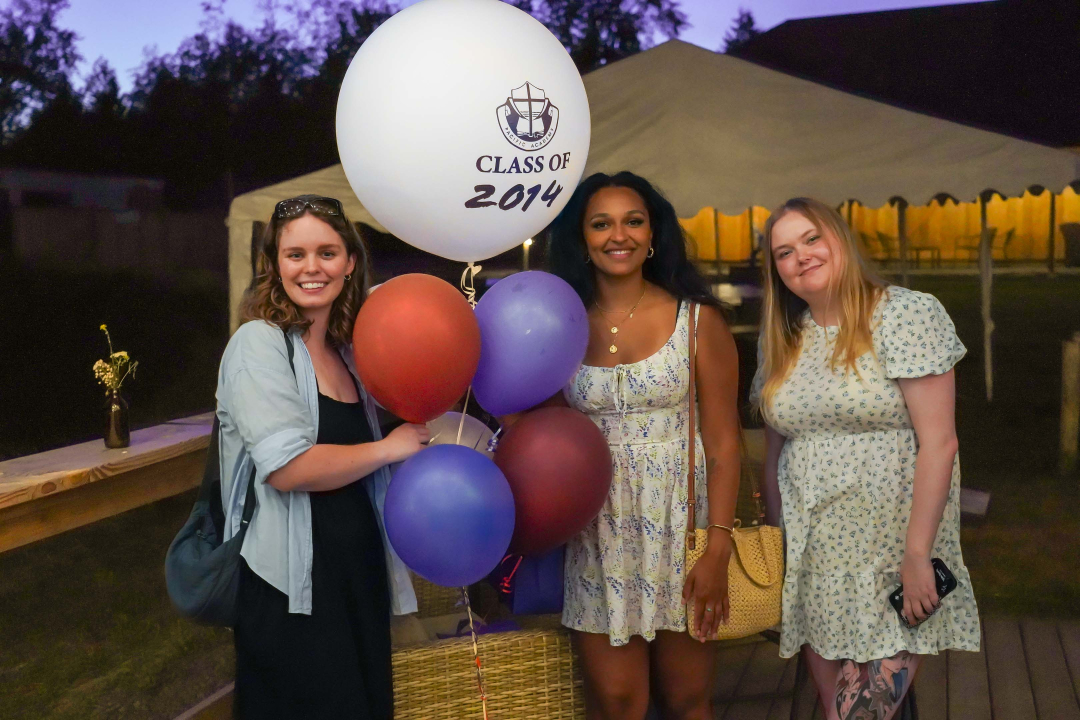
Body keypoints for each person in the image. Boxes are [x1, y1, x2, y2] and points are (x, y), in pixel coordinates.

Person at [751, 198, 981, 720]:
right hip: (817, 564)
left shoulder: (904, 313)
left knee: (854, 717)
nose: (801, 256)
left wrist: (918, 555)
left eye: (812, 239)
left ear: (840, 239)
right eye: (784, 252)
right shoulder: (782, 339)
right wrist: (776, 547)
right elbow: (775, 452)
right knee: (844, 712)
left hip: (894, 557)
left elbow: (940, 442)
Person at [217, 194, 429, 718]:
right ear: (273, 264)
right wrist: (387, 448)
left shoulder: (349, 352)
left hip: (357, 576)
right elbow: (289, 469)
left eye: (327, 253)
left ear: (350, 262)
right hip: (290, 590)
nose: (312, 268)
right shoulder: (257, 345)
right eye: (296, 254)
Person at [548, 172, 742, 720]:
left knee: (686, 700)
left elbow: (725, 441)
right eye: (601, 223)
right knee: (617, 701)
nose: (619, 235)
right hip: (597, 532)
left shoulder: (698, 320)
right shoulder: (560, 324)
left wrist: (718, 547)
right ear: (581, 238)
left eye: (633, 221)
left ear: (653, 233)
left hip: (682, 531)